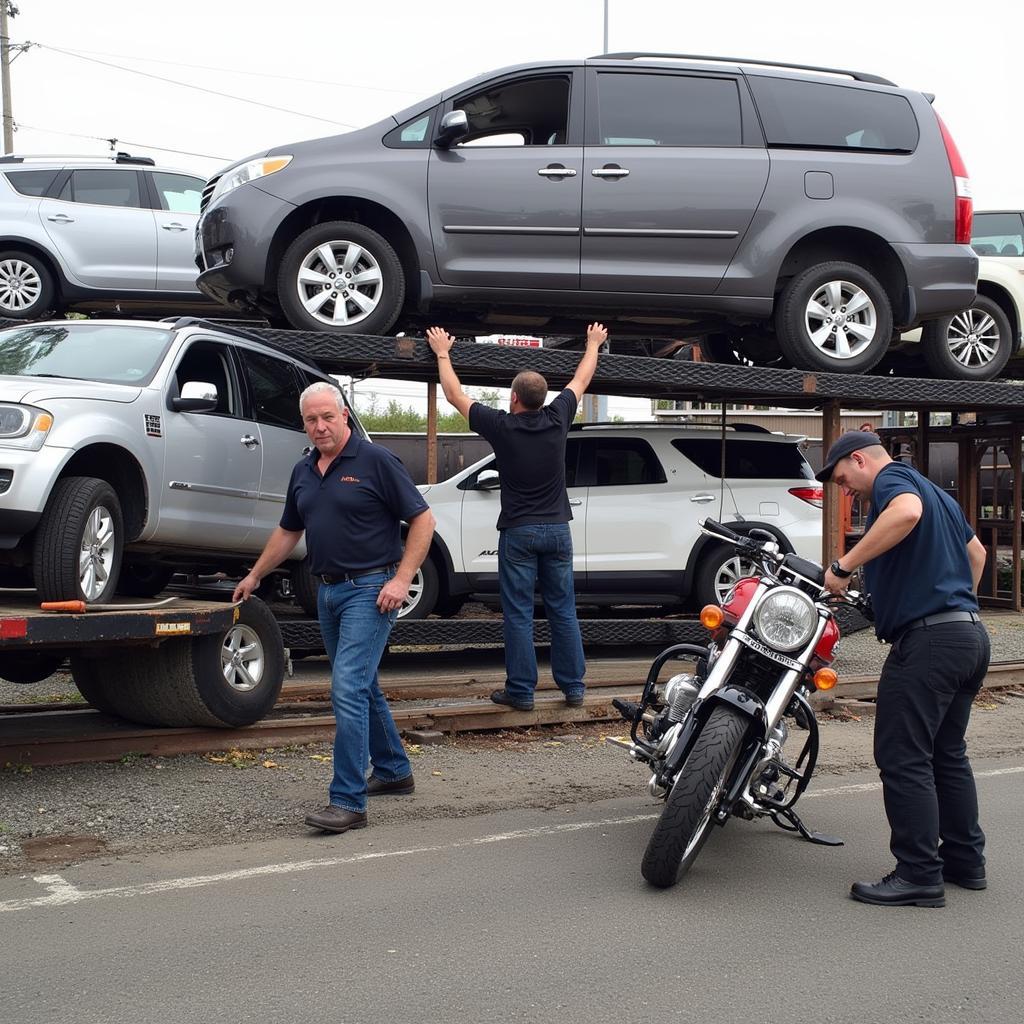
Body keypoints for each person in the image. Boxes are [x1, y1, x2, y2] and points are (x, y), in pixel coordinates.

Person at [233, 381, 436, 835]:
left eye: (327, 416)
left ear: (345, 414)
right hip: (327, 593)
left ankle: (348, 800)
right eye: (311, 420)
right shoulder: (303, 470)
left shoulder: (376, 461)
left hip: (371, 589)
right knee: (362, 685)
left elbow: (423, 519)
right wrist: (255, 574)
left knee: (346, 687)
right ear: (303, 423)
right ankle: (394, 771)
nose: (320, 426)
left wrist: (401, 580)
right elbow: (289, 530)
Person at [818, 430, 989, 907]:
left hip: (929, 642)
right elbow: (977, 556)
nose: (844, 490)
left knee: (903, 756)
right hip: (968, 634)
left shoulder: (895, 481)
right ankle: (965, 861)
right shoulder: (941, 496)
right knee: (946, 754)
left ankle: (918, 873)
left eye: (842, 479)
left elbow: (906, 514)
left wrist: (844, 565)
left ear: (859, 459)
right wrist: (952, 603)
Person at [425, 323, 609, 711]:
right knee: (563, 609)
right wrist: (593, 342)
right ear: (543, 398)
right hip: (558, 530)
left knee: (519, 614)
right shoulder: (559, 417)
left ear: (513, 398)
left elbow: (455, 396)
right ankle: (573, 688)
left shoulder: (502, 426)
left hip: (519, 533)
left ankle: (522, 692)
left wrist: (443, 352)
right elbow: (581, 377)